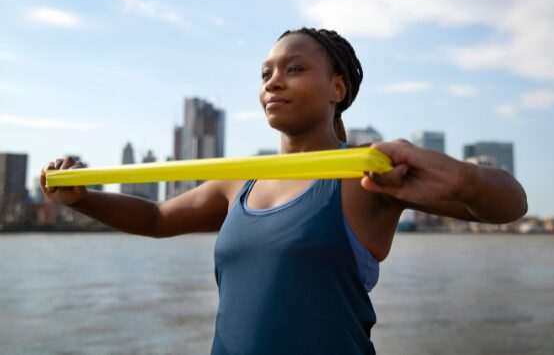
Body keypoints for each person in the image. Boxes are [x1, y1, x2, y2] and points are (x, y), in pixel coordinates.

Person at [40, 28, 528, 355]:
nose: (274, 81)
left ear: (337, 88)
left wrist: (463, 177)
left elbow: (509, 205)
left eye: (294, 69)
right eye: (266, 73)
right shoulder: (241, 178)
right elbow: (157, 220)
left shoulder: (368, 174)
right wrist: (82, 198)